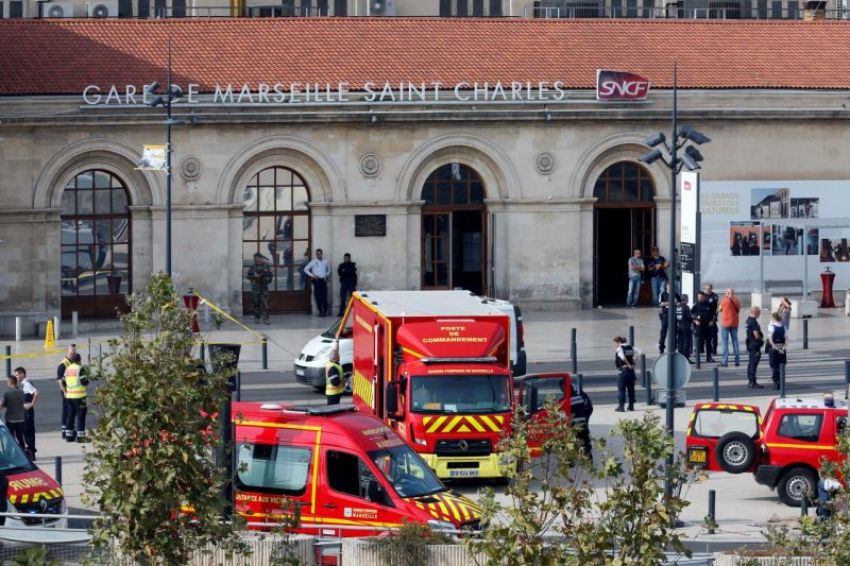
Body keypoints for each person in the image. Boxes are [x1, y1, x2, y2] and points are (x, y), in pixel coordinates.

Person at [63, 353, 89, 442]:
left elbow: (64, 381)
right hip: (79, 396)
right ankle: (80, 437)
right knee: (81, 416)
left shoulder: (67, 369)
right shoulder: (80, 369)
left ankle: (68, 436)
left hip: (69, 395)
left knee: (70, 416)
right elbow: (84, 381)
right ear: (79, 360)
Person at [13, 367, 38, 459]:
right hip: (25, 412)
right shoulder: (24, 384)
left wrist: (31, 404)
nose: (17, 377)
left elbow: (36, 393)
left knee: (28, 431)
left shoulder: (26, 383)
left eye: (18, 375)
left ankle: (31, 453)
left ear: (22, 374)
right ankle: (31, 451)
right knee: (26, 431)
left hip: (27, 412)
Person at [613, 336, 640, 412]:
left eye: (615, 343)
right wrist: (634, 363)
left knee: (622, 389)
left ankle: (621, 407)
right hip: (631, 371)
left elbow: (623, 357)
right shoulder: (631, 347)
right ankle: (631, 406)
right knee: (631, 389)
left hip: (623, 371)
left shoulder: (619, 348)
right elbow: (639, 352)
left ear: (619, 342)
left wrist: (628, 364)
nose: (615, 345)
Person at [56, 344, 77, 439]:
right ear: (67, 353)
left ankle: (68, 429)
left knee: (70, 410)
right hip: (66, 391)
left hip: (71, 390)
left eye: (74, 353)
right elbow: (59, 380)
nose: (73, 355)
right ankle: (65, 431)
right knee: (67, 410)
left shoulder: (72, 362)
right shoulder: (63, 364)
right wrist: (64, 392)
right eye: (71, 354)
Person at [570, 381, 594, 462]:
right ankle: (588, 458)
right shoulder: (580, 396)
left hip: (577, 422)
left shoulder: (574, 398)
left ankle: (572, 460)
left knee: (573, 440)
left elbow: (587, 408)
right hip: (582, 420)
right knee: (584, 439)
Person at [247, 253, 273, 325]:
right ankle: (257, 318)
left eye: (259, 258)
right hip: (255, 288)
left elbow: (270, 277)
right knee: (256, 304)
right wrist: (254, 276)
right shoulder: (252, 267)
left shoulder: (266, 266)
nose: (257, 260)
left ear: (261, 258)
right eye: (256, 259)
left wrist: (263, 278)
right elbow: (248, 276)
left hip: (264, 288)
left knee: (265, 304)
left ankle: (266, 319)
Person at [1, 376, 26, 450]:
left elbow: (3, 405)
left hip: (10, 418)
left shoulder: (7, 393)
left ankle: (10, 451)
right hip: (20, 418)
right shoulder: (21, 392)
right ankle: (22, 451)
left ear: (10, 382)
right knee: (20, 436)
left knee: (10, 437)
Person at [304, 248, 332, 317]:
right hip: (317, 281)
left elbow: (329, 270)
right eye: (317, 254)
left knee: (324, 296)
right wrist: (312, 275)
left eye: (319, 254)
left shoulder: (326, 261)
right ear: (316, 254)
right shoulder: (313, 261)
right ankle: (320, 311)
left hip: (323, 280)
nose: (318, 255)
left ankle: (325, 311)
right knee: (318, 297)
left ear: (321, 254)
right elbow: (306, 269)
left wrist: (326, 274)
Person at [718, 288, 742, 367]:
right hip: (734, 323)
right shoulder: (737, 300)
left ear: (727, 293)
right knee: (735, 341)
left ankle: (725, 361)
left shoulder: (724, 300)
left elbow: (720, 309)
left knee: (725, 342)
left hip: (725, 323)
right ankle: (737, 360)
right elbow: (738, 309)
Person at [691, 292, 715, 364]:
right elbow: (691, 315)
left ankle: (709, 357)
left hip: (708, 326)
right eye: (698, 297)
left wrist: (712, 321)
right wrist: (695, 321)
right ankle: (698, 358)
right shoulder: (696, 306)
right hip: (699, 327)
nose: (700, 298)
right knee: (699, 342)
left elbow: (714, 314)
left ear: (704, 297)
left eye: (701, 297)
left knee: (708, 343)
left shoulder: (709, 305)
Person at [744, 307, 765, 389]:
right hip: (755, 345)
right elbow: (756, 335)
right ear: (755, 312)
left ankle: (750, 380)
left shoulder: (747, 321)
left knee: (751, 363)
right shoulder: (753, 322)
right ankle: (752, 381)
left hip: (750, 344)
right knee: (753, 363)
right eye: (759, 313)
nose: (759, 315)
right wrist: (761, 340)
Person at [767, 311, 788, 390]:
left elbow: (770, 339)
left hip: (774, 348)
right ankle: (780, 381)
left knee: (774, 365)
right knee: (781, 365)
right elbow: (786, 339)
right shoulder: (784, 327)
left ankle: (775, 382)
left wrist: (774, 347)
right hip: (782, 347)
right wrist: (783, 348)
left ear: (773, 318)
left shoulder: (771, 327)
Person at [657, 282, 680, 354]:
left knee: (674, 332)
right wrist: (671, 302)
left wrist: (675, 303)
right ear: (666, 287)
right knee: (663, 332)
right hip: (666, 315)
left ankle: (674, 348)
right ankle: (661, 348)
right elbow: (661, 303)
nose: (670, 288)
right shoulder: (663, 294)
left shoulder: (675, 294)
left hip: (674, 315)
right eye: (668, 286)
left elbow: (678, 303)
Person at [337, 253, 358, 317]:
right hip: (344, 283)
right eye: (345, 258)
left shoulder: (353, 264)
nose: (345, 259)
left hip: (351, 283)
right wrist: (346, 271)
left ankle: (354, 312)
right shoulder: (341, 265)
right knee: (342, 298)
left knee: (353, 298)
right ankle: (341, 312)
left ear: (349, 258)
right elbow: (340, 273)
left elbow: (353, 272)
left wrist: (345, 271)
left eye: (347, 258)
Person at [676, 295, 693, 363]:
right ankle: (686, 358)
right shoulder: (686, 307)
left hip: (679, 327)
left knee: (680, 343)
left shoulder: (677, 307)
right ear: (686, 299)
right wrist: (693, 318)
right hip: (686, 327)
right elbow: (689, 317)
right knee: (686, 343)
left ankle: (680, 357)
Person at [703, 284, 719, 356]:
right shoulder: (703, 296)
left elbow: (716, 309)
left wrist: (713, 320)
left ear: (711, 289)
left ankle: (714, 349)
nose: (708, 290)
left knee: (714, 335)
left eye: (709, 288)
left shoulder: (714, 296)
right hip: (705, 319)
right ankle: (705, 349)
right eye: (706, 289)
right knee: (706, 336)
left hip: (712, 318)